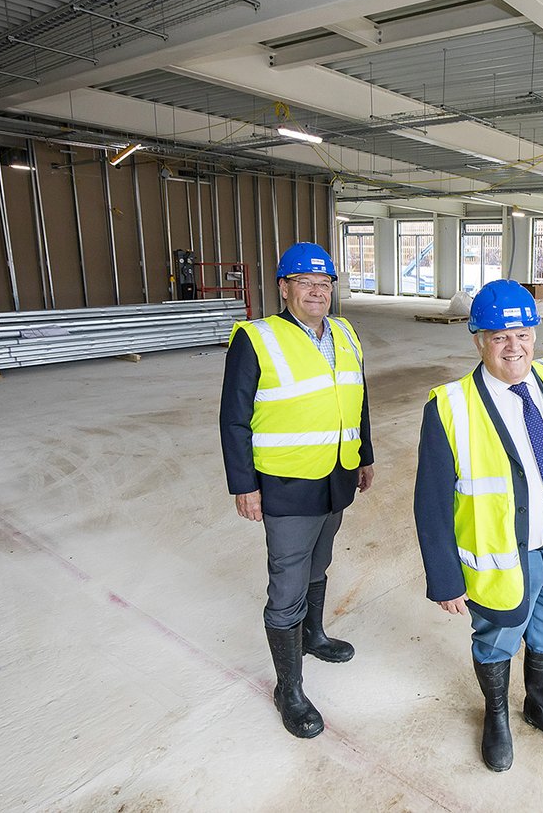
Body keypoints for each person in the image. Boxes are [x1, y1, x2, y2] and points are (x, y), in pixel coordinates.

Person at [414, 279, 543, 772]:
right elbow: (430, 503)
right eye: (499, 337)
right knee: (497, 636)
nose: (513, 347)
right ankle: (496, 716)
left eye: (522, 334)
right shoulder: (449, 407)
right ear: (478, 340)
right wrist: (445, 579)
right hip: (504, 557)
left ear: (535, 335)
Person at [219, 241, 374, 739]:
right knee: (287, 583)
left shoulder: (345, 333)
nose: (316, 292)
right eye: (305, 283)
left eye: (324, 283)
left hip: (336, 475)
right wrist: (244, 484)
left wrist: (364, 455)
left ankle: (314, 635)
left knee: (318, 564)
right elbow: (234, 418)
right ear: (283, 288)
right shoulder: (255, 338)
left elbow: (358, 399)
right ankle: (289, 688)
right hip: (285, 483)